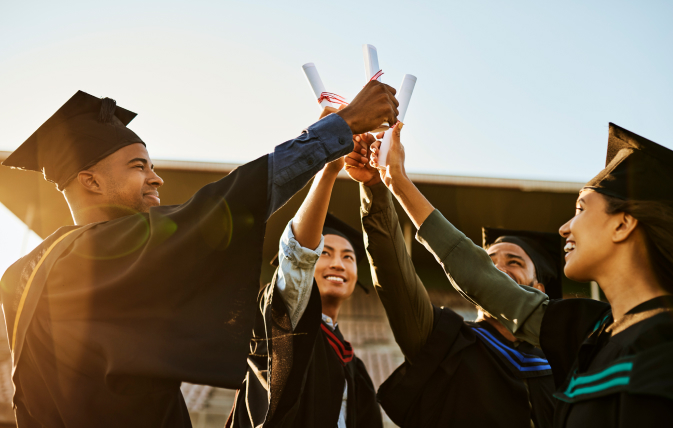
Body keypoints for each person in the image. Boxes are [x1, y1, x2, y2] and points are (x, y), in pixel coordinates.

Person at [0, 84, 398, 427]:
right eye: (139, 166)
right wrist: (338, 128)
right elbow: (229, 200)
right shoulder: (107, 249)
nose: (156, 178)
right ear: (90, 180)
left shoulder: (20, 275)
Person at [369, 122, 673, 426]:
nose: (564, 228)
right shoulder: (588, 331)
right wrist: (394, 181)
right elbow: (478, 275)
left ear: (622, 225)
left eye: (580, 210)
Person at [345, 141, 559, 427]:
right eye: (488, 261)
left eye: (515, 262)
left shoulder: (563, 362)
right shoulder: (446, 340)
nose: (497, 270)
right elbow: (393, 274)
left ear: (539, 289)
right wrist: (375, 189)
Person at [228, 136, 383, 428]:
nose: (339, 263)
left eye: (349, 257)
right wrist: (328, 171)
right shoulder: (287, 327)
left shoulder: (354, 365)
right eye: (325, 253)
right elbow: (297, 260)